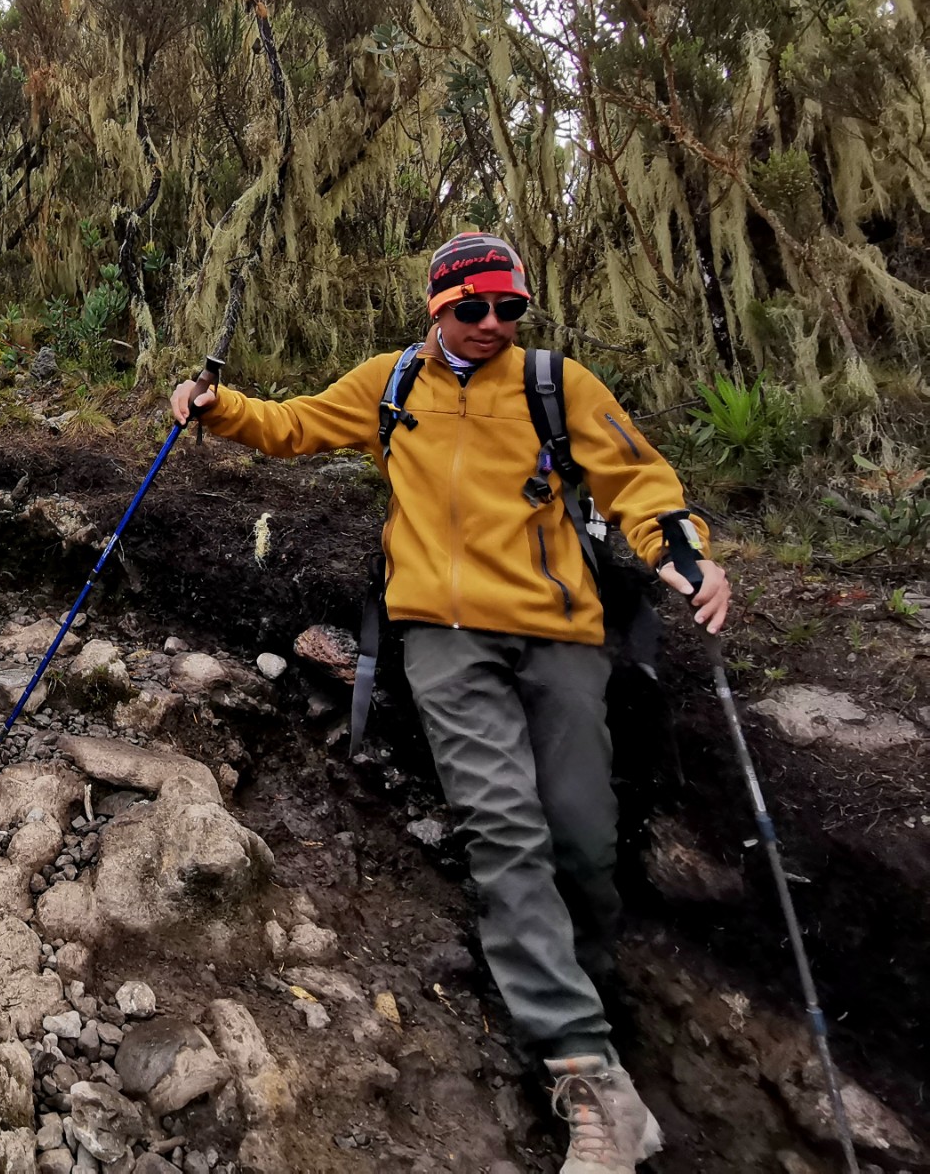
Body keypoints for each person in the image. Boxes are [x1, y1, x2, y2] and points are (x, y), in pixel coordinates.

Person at [170, 232, 730, 1174]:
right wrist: (216, 409)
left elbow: (639, 477)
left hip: (558, 635)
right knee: (502, 826)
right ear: (437, 307)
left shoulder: (557, 383)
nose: (492, 326)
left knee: (584, 840)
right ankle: (585, 1073)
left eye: (509, 310)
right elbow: (293, 423)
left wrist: (681, 551)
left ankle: (581, 1014)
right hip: (440, 635)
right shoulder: (392, 385)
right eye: (473, 309)